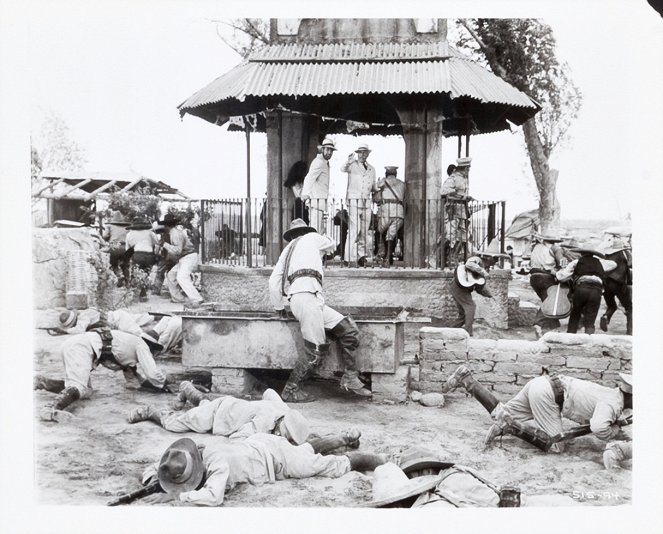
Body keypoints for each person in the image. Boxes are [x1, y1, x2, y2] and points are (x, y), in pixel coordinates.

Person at [268, 219, 372, 402]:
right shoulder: (312, 237)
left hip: (305, 299)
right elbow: (332, 244)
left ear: (291, 236)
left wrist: (279, 308)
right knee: (314, 349)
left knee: (348, 330)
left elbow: (273, 282)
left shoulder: (286, 252)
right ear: (306, 231)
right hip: (308, 298)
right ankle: (290, 389)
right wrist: (326, 241)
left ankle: (350, 377)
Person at [139, 434, 388, 506]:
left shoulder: (216, 463)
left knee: (322, 466)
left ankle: (370, 459)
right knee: (302, 450)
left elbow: (214, 497)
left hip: (275, 459)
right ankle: (337, 438)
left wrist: (177, 494)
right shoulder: (190, 452)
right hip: (257, 442)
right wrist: (155, 479)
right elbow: (155, 466)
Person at [441, 365, 632, 454]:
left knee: (500, 413)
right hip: (549, 395)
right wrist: (614, 432)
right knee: (556, 446)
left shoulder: (610, 394)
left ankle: (467, 380)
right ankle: (511, 428)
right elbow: (599, 428)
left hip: (542, 383)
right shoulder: (613, 404)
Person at [127, 385, 361, 454]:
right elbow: (238, 440)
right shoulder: (262, 425)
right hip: (217, 415)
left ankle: (187, 389)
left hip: (230, 406)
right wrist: (262, 436)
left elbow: (269, 392)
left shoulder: (283, 410)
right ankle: (149, 411)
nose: (281, 438)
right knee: (175, 425)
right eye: (282, 434)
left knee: (203, 402)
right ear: (279, 425)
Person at [34, 329, 172, 422]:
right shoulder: (141, 345)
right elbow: (153, 373)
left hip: (76, 343)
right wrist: (164, 382)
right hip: (82, 347)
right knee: (79, 387)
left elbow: (135, 382)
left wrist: (158, 387)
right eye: (154, 351)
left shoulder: (128, 347)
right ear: (151, 346)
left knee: (86, 391)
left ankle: (43, 382)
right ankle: (51, 408)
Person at [55, 307, 183, 353]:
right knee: (142, 318)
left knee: (138, 335)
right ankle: (164, 318)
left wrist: (65, 331)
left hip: (118, 320)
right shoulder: (85, 314)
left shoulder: (84, 316)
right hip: (118, 317)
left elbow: (79, 329)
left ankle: (153, 343)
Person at [556, 245, 606, 334]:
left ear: (581, 253)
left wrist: (558, 274)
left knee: (575, 313)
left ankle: (570, 336)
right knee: (591, 316)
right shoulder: (599, 263)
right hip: (596, 291)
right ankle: (589, 337)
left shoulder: (577, 262)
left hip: (582, 288)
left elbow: (562, 277)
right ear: (592, 255)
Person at [341, 143, 376, 266]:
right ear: (357, 153)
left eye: (365, 152)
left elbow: (373, 187)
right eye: (360, 152)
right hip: (354, 201)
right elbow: (343, 169)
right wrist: (348, 161)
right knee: (354, 229)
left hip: (366, 202)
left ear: (368, 154)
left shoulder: (372, 169)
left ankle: (361, 256)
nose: (362, 155)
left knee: (364, 231)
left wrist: (379, 187)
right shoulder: (352, 165)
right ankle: (348, 257)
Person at [158, 213, 203, 307]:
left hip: (189, 256)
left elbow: (178, 251)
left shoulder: (175, 233)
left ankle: (197, 299)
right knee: (171, 275)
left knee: (181, 277)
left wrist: (164, 244)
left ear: (166, 225)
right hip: (185, 257)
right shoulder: (174, 232)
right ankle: (178, 298)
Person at [528, 233, 567, 337]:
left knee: (547, 300)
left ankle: (554, 327)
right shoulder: (554, 249)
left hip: (534, 278)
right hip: (546, 277)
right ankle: (538, 324)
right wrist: (562, 272)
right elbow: (558, 265)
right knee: (550, 302)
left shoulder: (536, 248)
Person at [449, 256, 493, 336]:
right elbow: (469, 264)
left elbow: (478, 287)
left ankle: (451, 331)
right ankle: (467, 332)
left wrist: (488, 294)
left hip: (459, 288)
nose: (494, 261)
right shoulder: (477, 259)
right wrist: (484, 272)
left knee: (463, 314)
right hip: (458, 287)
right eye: (494, 259)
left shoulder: (484, 267)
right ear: (488, 258)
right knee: (471, 306)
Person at [301, 137, 336, 235]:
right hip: (316, 202)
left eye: (331, 150)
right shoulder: (319, 162)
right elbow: (309, 178)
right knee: (314, 231)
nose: (329, 152)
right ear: (322, 149)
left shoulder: (324, 163)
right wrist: (305, 194)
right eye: (327, 149)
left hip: (320, 203)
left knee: (319, 232)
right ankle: (312, 250)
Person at [440, 158, 472, 267]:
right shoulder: (453, 178)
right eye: (468, 168)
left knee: (463, 236)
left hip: (462, 209)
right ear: (465, 168)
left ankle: (453, 256)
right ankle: (442, 257)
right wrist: (462, 197)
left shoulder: (464, 179)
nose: (469, 170)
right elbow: (444, 192)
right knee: (450, 235)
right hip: (453, 208)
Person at [372, 166, 405, 267]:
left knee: (379, 231)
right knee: (391, 235)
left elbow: (374, 191)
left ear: (386, 173)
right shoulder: (402, 184)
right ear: (395, 174)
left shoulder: (383, 182)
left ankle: (380, 253)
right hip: (399, 212)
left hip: (387, 210)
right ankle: (388, 257)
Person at [599, 235, 633, 335]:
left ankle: (606, 316)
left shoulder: (607, 254)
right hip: (619, 283)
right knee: (630, 307)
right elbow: (631, 264)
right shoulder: (624, 253)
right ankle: (630, 330)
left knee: (611, 305)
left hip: (606, 283)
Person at [125, 217, 159, 301]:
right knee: (146, 273)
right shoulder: (150, 233)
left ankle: (133, 293)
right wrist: (156, 254)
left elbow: (127, 249)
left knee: (136, 273)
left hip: (137, 254)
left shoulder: (129, 234)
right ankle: (143, 293)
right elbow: (157, 244)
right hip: (149, 254)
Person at [102, 210, 131, 286]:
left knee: (113, 264)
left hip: (115, 246)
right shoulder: (127, 227)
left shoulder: (109, 226)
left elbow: (105, 236)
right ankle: (127, 282)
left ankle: (119, 275)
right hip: (126, 247)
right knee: (125, 265)